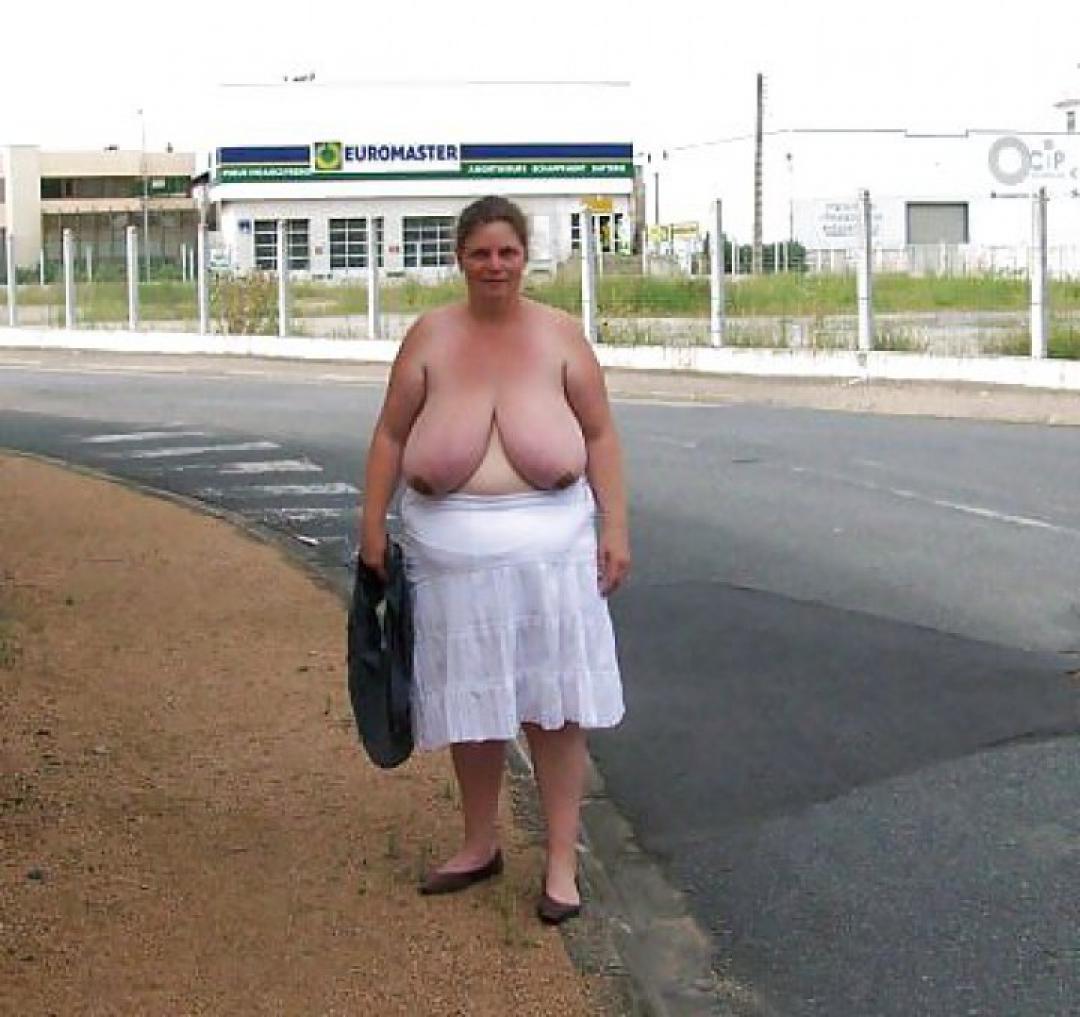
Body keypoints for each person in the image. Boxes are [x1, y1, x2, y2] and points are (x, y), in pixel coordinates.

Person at [359, 195, 629, 925]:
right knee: (470, 701)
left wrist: (616, 526)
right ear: (460, 258)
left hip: (553, 550)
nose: (494, 265)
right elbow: (390, 435)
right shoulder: (429, 336)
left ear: (525, 257)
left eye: (507, 252)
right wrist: (371, 524)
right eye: (480, 253)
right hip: (449, 553)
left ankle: (562, 862)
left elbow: (600, 435)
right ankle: (479, 842)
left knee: (555, 706)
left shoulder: (561, 335)